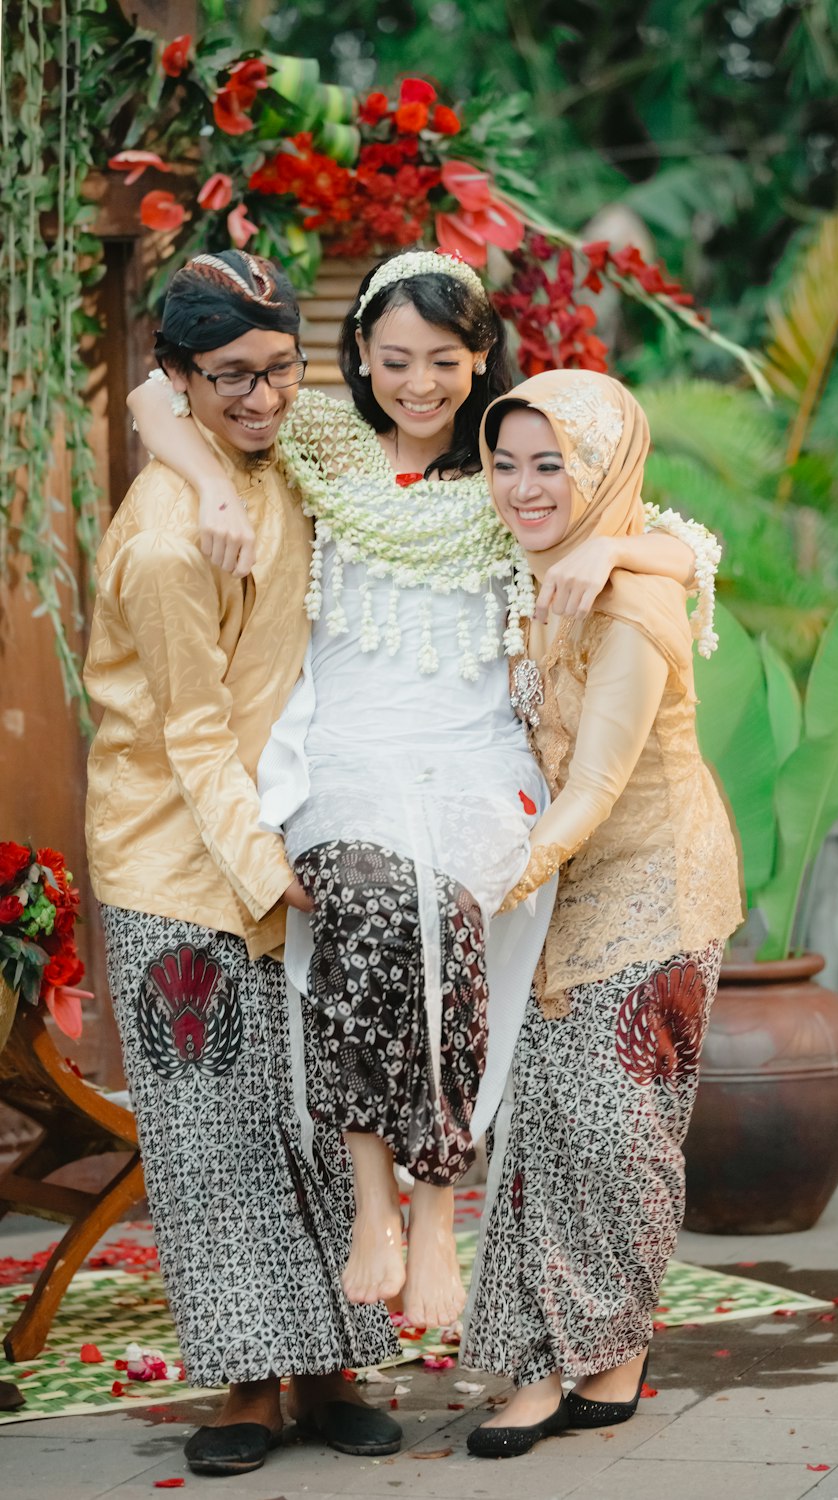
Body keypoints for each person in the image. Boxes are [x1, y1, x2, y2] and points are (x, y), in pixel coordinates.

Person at [128, 248, 704, 1336]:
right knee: (369, 901)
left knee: (441, 917)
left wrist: (619, 549)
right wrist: (207, 484)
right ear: (359, 357)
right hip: (345, 755)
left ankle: (436, 1207)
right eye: (395, 360)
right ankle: (374, 1204)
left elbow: (688, 548)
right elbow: (153, 396)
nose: (420, 383)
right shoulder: (323, 447)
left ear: (481, 357)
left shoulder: (513, 474)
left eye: (444, 360)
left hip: (476, 759)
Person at [86, 249, 403, 1478]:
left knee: (322, 1120)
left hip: (279, 837)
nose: (264, 398)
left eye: (280, 369)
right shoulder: (170, 542)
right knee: (212, 1134)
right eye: (231, 381)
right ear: (183, 374)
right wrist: (270, 874)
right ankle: (244, 1390)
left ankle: (332, 1367)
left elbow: (148, 399)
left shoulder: (283, 446)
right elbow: (190, 736)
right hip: (180, 862)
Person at [461, 371, 744, 1458]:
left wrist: (492, 885)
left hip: (654, 880)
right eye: (506, 461)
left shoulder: (634, 599)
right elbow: (678, 536)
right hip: (557, 880)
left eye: (553, 464)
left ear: (604, 470)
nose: (525, 488)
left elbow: (593, 790)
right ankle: (542, 1359)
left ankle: (609, 1355)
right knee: (541, 1122)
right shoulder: (527, 568)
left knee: (617, 1127)